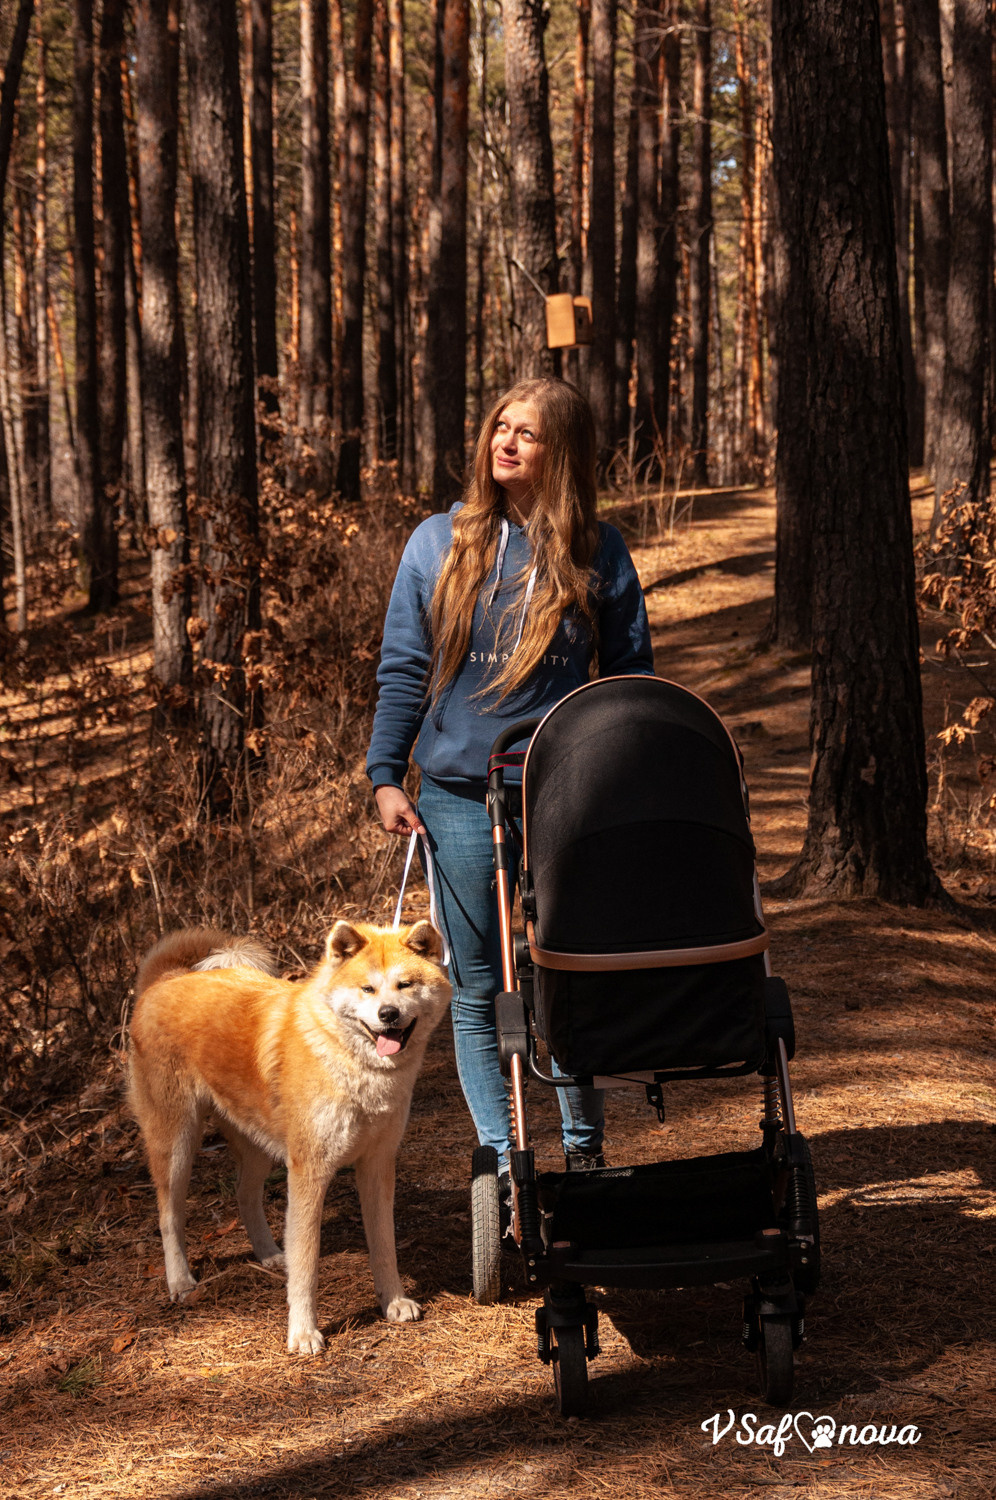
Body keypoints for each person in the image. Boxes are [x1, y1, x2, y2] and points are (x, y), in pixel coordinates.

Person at [366, 377, 654, 1176]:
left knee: (563, 973)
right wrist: (388, 775)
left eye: (528, 433)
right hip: (456, 798)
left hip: (567, 797)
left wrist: (621, 781)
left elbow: (629, 679)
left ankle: (586, 1156)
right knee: (474, 987)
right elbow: (403, 672)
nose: (507, 441)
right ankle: (505, 1158)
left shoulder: (599, 550)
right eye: (501, 425)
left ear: (560, 451)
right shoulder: (437, 543)